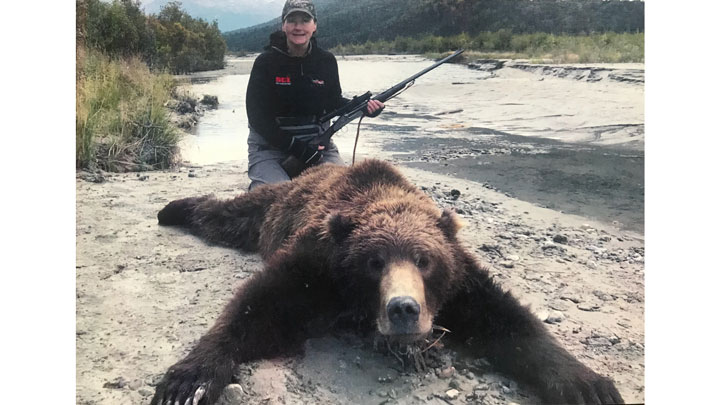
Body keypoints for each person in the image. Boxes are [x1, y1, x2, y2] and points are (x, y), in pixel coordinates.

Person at [245, 0, 384, 190]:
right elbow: (257, 118)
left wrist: (364, 108)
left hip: (317, 146)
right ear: (283, 25)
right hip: (270, 149)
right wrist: (298, 148)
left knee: (345, 193)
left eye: (305, 20)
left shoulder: (326, 61)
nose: (298, 27)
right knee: (277, 200)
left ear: (314, 26)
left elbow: (334, 102)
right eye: (292, 20)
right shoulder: (265, 62)